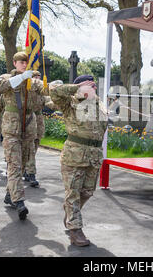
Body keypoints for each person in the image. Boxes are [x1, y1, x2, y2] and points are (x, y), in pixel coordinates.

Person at [48, 75, 108, 247]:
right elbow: (54, 91)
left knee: (87, 192)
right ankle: (75, 230)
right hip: (74, 154)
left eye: (94, 85)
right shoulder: (70, 103)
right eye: (89, 86)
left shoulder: (99, 105)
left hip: (94, 156)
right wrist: (77, 88)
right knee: (73, 193)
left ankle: (69, 210)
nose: (94, 88)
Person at [0, 52, 48, 220]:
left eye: (26, 62)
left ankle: (9, 195)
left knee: (24, 164)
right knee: (15, 165)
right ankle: (19, 202)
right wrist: (21, 77)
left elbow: (46, 90)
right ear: (14, 62)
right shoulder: (6, 78)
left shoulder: (32, 81)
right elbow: (1, 87)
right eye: (21, 62)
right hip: (11, 130)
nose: (24, 64)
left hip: (28, 129)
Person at [22, 70, 56, 188]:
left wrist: (59, 104)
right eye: (35, 77)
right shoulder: (26, 91)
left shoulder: (42, 93)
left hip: (38, 119)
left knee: (34, 146)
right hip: (28, 119)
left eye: (39, 77)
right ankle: (30, 173)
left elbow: (50, 103)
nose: (38, 79)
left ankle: (27, 168)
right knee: (28, 147)